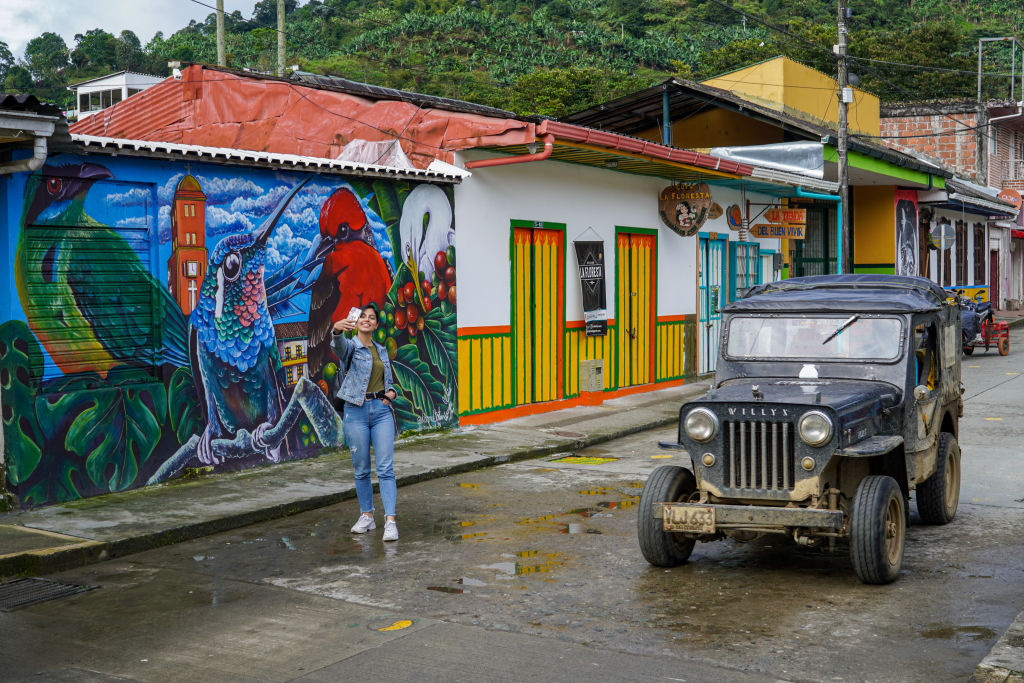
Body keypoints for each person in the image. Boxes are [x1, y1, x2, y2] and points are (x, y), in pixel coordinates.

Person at [332, 304, 400, 541]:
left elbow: (389, 381)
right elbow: (338, 347)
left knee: (385, 469)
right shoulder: (350, 347)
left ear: (376, 325)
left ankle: (390, 521)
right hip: (356, 412)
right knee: (361, 469)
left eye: (372, 318)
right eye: (363, 316)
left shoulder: (381, 350)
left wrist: (391, 393)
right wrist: (337, 331)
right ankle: (367, 516)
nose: (367, 320)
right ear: (357, 321)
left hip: (381, 411)